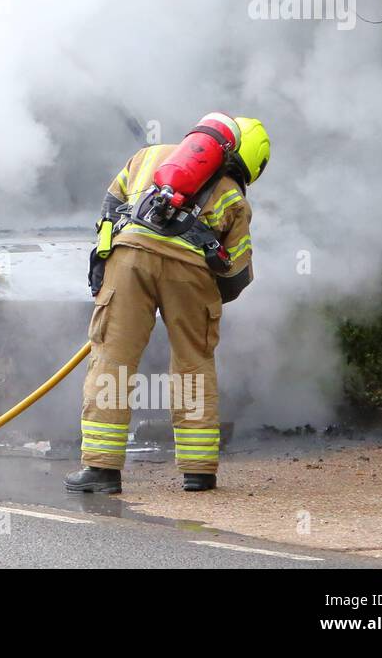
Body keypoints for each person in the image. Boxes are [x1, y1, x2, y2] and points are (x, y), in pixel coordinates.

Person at [65, 117, 270, 494]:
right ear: (249, 163)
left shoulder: (147, 157)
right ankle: (198, 471)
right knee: (194, 362)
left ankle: (101, 469)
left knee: (113, 359)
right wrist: (205, 299)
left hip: (128, 263)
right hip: (190, 275)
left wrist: (105, 263)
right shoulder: (234, 197)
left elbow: (109, 211)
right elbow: (237, 272)